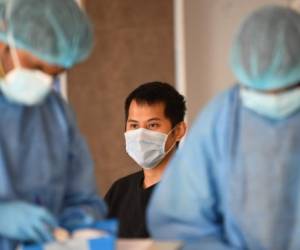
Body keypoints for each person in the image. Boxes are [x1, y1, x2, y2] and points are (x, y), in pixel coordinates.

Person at [147, 5, 300, 250]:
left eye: (288, 89)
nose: (274, 99)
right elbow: (182, 219)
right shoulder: (222, 118)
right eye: (260, 91)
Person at [0, 0, 107, 249]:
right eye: (36, 67)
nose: (44, 82)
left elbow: (82, 197)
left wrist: (77, 225)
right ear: (6, 41)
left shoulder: (55, 112)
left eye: (54, 75)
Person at [105, 82, 187, 238]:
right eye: (134, 125)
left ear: (178, 131)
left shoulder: (196, 191)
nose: (141, 134)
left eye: (152, 125)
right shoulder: (120, 191)